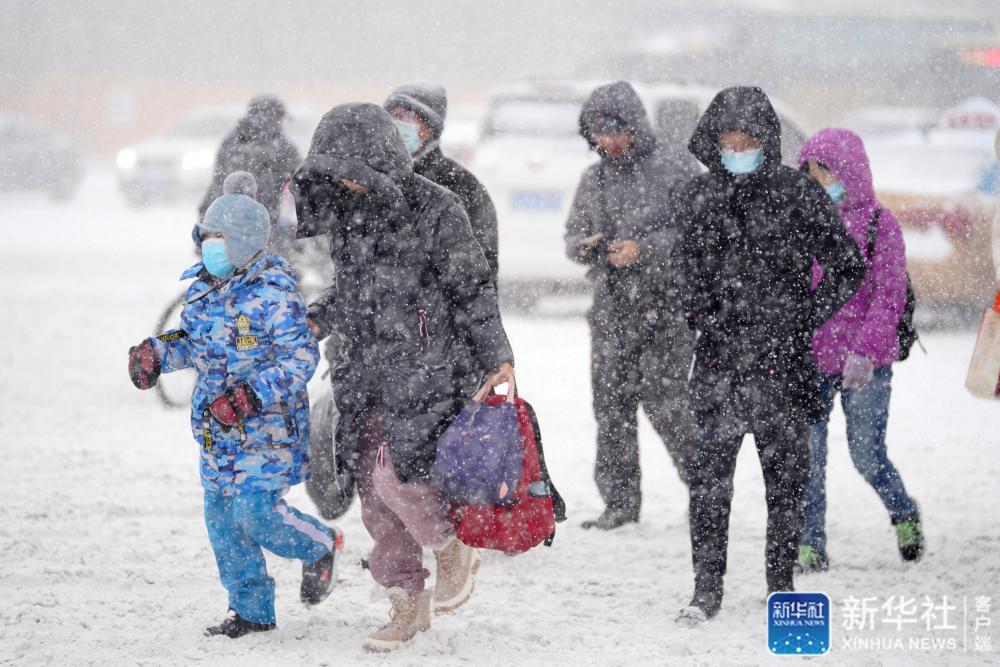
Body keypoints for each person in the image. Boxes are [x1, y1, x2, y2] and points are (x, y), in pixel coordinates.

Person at [291, 103, 515, 652]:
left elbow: (472, 289)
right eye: (336, 174)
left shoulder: (439, 207)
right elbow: (354, 291)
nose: (346, 183)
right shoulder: (349, 213)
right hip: (363, 371)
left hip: (426, 371)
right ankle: (405, 604)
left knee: (403, 481)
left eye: (353, 172)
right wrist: (319, 318)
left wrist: (497, 355)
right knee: (374, 497)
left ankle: (450, 545)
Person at [671, 87, 866, 623]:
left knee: (786, 485)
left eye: (747, 142)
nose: (737, 151)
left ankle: (781, 583)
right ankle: (705, 590)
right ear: (712, 142)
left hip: (784, 367)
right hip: (718, 364)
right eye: (727, 142)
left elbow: (846, 264)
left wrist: (804, 315)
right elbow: (682, 269)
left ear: (767, 141)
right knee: (709, 486)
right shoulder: (697, 196)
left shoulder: (796, 193)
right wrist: (702, 313)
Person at [127, 190, 342, 638]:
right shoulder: (202, 290)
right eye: (206, 236)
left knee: (256, 513)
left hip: (267, 433)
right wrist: (158, 354)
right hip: (217, 434)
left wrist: (249, 397)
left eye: (219, 238)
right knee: (224, 523)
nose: (210, 246)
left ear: (243, 242)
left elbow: (300, 357)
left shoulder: (274, 294)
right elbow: (194, 344)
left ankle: (319, 544)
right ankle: (251, 610)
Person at [563, 80, 701, 530]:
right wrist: (594, 249)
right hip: (612, 308)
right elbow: (573, 238)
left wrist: (645, 249)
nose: (608, 141)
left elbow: (701, 233)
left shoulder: (677, 167)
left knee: (667, 402)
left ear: (636, 126)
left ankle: (706, 487)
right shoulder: (594, 179)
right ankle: (620, 503)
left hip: (668, 306)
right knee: (611, 406)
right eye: (599, 132)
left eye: (616, 130)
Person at [795, 128, 923, 572]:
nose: (818, 182)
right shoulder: (802, 221)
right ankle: (810, 545)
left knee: (866, 455)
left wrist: (864, 351)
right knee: (807, 459)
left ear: (848, 171)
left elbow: (889, 296)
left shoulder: (879, 223)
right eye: (811, 174)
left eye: (825, 172)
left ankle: (903, 512)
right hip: (810, 360)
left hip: (863, 363)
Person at [384, 81, 499, 280]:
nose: (398, 123)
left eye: (407, 116)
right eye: (392, 115)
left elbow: (480, 271)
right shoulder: (368, 178)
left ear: (430, 126)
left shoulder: (461, 184)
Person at [197, 95, 301, 255]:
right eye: (281, 118)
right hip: (264, 225)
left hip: (226, 224)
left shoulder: (231, 142)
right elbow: (299, 177)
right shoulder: (281, 146)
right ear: (276, 117)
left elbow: (217, 182)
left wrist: (206, 225)